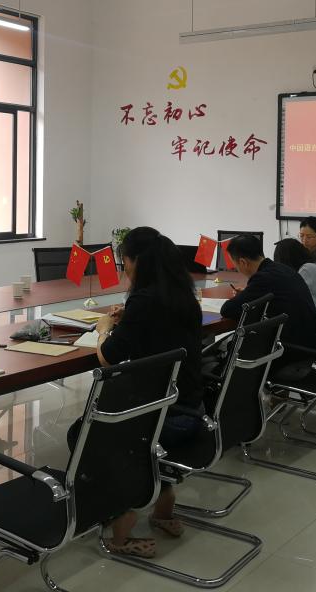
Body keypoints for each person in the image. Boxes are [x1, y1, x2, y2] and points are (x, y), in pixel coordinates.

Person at [81, 227, 203, 559]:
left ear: (137, 263)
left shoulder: (143, 300)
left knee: (85, 433)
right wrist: (129, 319)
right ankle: (164, 508)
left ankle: (121, 525)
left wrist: (105, 329)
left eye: (125, 262)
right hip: (190, 409)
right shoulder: (184, 297)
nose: (124, 269)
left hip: (165, 416)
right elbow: (158, 331)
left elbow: (108, 358)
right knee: (141, 432)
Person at [219, 234, 316, 371]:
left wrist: (244, 296)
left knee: (226, 350)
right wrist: (247, 294)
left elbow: (227, 309)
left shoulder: (263, 278)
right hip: (307, 350)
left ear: (243, 262)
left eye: (235, 265)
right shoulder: (282, 269)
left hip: (288, 357)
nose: (237, 269)